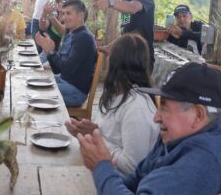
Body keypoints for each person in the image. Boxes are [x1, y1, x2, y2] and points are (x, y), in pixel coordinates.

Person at [77, 62, 221, 194]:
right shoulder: (176, 137)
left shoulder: (202, 161)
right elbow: (137, 180)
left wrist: (102, 167)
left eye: (164, 107)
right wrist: (106, 173)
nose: (156, 117)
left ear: (198, 115)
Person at [65, 33, 158, 175]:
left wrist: (97, 138)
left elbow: (132, 166)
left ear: (114, 62)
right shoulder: (114, 94)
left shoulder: (137, 106)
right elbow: (109, 135)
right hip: (103, 172)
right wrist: (85, 132)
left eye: (110, 56)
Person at [93, 0, 155, 71]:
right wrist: (108, 47)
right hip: (126, 57)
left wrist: (109, 1)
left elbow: (133, 8)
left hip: (140, 60)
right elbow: (128, 32)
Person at [35, 0, 96, 107]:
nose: (64, 18)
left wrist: (51, 51)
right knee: (35, 80)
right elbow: (57, 69)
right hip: (65, 82)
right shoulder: (70, 34)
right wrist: (49, 52)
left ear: (81, 15)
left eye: (68, 13)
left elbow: (67, 70)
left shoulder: (84, 37)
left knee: (36, 91)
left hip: (75, 92)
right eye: (63, 14)